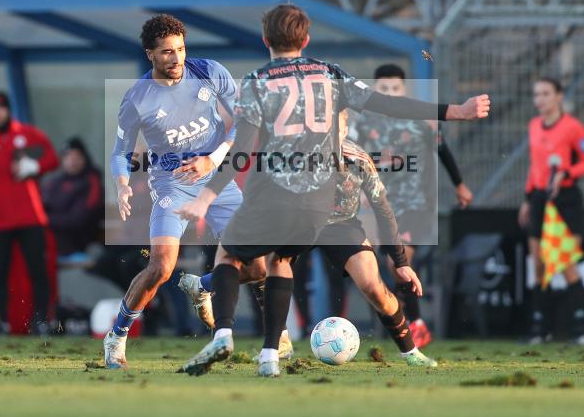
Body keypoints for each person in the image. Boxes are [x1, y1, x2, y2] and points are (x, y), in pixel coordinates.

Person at [176, 3, 489, 377]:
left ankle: (226, 332)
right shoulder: (330, 75)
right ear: (306, 40)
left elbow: (242, 150)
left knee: (236, 256)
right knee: (278, 262)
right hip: (318, 201)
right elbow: (387, 104)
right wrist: (458, 110)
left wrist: (207, 196)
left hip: (288, 198)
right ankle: (268, 356)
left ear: (265, 40)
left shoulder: (259, 81)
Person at [179, 109, 438, 369]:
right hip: (297, 220)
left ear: (345, 130)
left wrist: (401, 262)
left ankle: (411, 352)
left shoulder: (358, 159)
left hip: (342, 225)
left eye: (334, 129)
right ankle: (274, 346)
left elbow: (383, 211)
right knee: (261, 268)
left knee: (373, 286)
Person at [103, 14, 258, 370]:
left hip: (217, 179)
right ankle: (117, 336)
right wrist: (123, 183)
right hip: (172, 184)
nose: (177, 58)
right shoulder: (137, 98)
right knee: (161, 267)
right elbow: (120, 152)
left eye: (181, 49)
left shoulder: (209, 72)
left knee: (259, 264)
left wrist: (212, 158)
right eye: (167, 52)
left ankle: (202, 285)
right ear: (150, 55)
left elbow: (244, 124)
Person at [354, 63, 473, 347]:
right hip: (384, 202)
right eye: (384, 89)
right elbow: (354, 158)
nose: (390, 93)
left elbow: (443, 150)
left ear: (403, 90)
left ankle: (415, 325)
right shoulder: (365, 123)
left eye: (395, 88)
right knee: (391, 264)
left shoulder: (421, 122)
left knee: (400, 259)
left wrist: (459, 184)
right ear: (376, 91)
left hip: (417, 202)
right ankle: (415, 321)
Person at [0, 91, 59, 336]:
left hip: (30, 217)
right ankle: (2, 321)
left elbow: (52, 158)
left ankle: (41, 320)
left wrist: (36, 166)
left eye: (1, 108)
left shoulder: (27, 135)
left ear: (8, 111)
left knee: (37, 270)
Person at [517, 77, 584, 345]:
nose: (540, 99)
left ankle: (583, 327)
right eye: (536, 94)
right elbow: (534, 166)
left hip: (567, 201)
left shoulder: (573, 128)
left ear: (559, 96)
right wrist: (528, 199)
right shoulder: (533, 126)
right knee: (538, 265)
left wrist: (567, 172)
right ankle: (540, 327)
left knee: (564, 263)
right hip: (540, 199)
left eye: (546, 93)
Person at [42, 137, 103, 258]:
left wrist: (45, 219)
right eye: (68, 156)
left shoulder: (91, 180)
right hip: (54, 235)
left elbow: (79, 219)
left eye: (77, 156)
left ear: (84, 158)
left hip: (79, 238)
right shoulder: (54, 182)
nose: (72, 161)